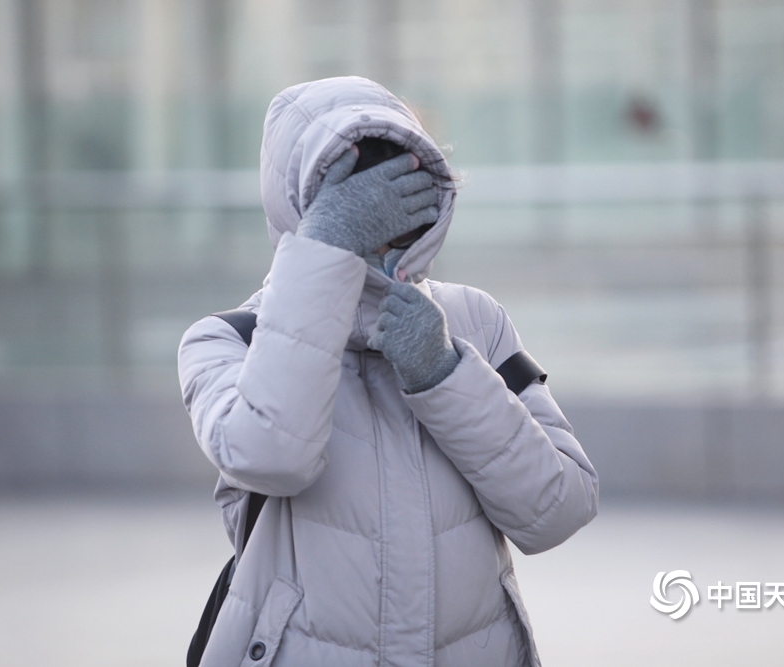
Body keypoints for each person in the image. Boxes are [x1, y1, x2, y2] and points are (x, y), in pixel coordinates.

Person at [178, 76, 598, 667]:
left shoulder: (475, 319)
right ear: (297, 200)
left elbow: (558, 509)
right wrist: (327, 249)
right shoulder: (228, 339)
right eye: (350, 192)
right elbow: (272, 456)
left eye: (399, 181)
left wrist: (445, 373)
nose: (384, 226)